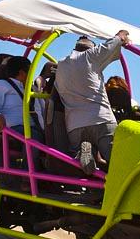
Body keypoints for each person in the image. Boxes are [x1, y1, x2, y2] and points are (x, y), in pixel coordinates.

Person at [54, 31, 130, 175]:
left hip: (75, 125)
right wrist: (123, 35)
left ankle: (82, 153)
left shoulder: (61, 65)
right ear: (91, 49)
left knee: (86, 160)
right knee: (118, 162)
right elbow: (114, 42)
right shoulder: (90, 56)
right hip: (101, 119)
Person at [0, 56, 45, 143]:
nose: (33, 74)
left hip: (36, 128)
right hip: (14, 129)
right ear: (22, 73)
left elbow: (43, 109)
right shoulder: (1, 84)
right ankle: (27, 157)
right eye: (31, 71)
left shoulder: (33, 89)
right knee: (33, 137)